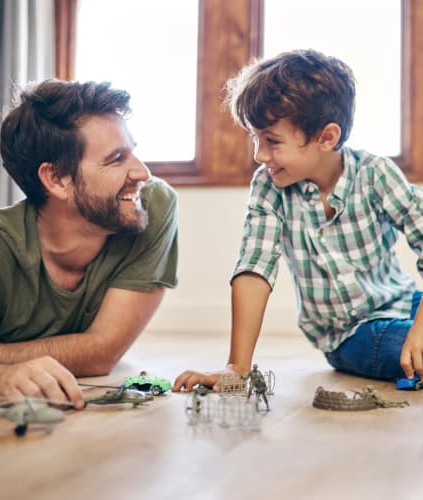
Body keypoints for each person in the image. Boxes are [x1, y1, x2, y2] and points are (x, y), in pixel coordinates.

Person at [173, 49, 423, 393]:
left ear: (326, 137)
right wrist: (236, 367)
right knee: (409, 352)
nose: (259, 155)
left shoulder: (375, 174)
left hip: (405, 301)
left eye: (272, 141)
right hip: (351, 335)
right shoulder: (269, 187)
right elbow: (254, 268)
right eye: (255, 138)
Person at [0, 79, 178, 407]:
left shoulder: (151, 207)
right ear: (57, 179)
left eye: (133, 152)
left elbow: (102, 352)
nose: (142, 172)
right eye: (116, 159)